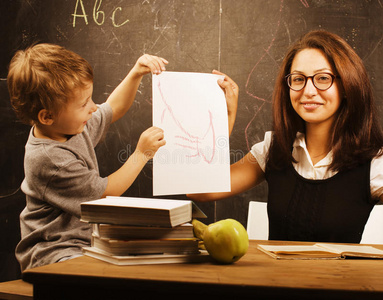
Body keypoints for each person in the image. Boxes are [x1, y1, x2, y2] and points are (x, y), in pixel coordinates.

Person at [188, 30, 383, 244]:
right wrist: (225, 117)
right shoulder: (273, 149)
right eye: (298, 79)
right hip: (274, 277)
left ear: (347, 86)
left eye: (323, 78)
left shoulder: (374, 163)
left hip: (340, 278)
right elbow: (199, 190)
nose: (308, 91)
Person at [7, 43, 170, 271]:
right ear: (47, 116)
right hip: (53, 251)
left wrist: (136, 73)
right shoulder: (49, 159)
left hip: (85, 244)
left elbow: (113, 108)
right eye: (84, 103)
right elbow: (104, 193)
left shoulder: (70, 125)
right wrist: (142, 154)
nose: (93, 108)